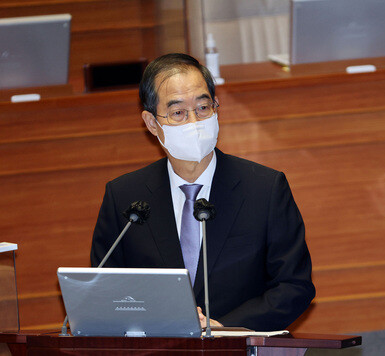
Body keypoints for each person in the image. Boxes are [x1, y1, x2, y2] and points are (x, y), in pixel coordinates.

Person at [90, 53, 315, 331]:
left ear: (216, 108)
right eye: (178, 113)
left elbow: (294, 285)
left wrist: (225, 328)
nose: (194, 121)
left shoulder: (265, 188)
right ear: (151, 123)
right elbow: (104, 291)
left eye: (203, 107)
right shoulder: (123, 196)